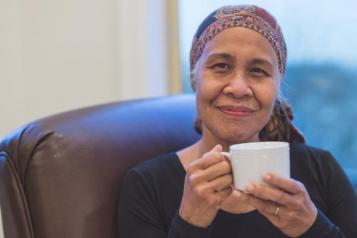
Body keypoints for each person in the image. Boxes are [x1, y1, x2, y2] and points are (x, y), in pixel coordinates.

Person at [117, 5, 357, 238]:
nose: (239, 88)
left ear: (277, 88)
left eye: (258, 71)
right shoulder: (147, 185)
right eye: (221, 66)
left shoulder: (321, 169)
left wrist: (312, 228)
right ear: (194, 77)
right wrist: (190, 223)